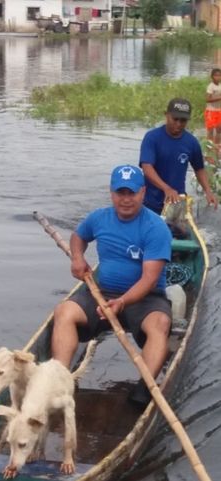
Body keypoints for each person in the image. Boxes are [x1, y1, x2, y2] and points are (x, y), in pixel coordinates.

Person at [50, 165, 172, 407]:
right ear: (111, 192)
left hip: (145, 298)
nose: (125, 200)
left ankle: (143, 389)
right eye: (120, 193)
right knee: (63, 312)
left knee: (160, 325)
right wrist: (77, 257)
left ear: (143, 193)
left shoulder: (155, 227)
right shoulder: (99, 217)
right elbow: (79, 236)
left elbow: (149, 278)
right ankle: (59, 381)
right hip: (101, 293)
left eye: (132, 193)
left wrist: (123, 302)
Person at [139, 98, 217, 214]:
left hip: (177, 202)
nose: (178, 124)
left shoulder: (191, 142)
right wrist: (166, 188)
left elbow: (199, 168)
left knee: (180, 230)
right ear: (166, 115)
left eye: (183, 120)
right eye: (175, 119)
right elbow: (147, 167)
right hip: (151, 203)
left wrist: (208, 190)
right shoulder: (152, 138)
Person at [206, 69, 221, 163]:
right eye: (216, 75)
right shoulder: (210, 87)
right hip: (211, 111)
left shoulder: (220, 86)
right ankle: (209, 151)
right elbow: (207, 99)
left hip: (219, 111)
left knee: (219, 130)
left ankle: (217, 148)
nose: (218, 77)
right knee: (210, 131)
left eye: (219, 75)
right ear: (212, 77)